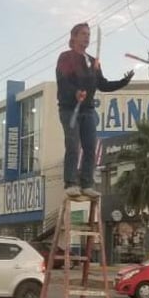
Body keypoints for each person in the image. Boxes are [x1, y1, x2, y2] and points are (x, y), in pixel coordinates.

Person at [56, 22, 134, 198]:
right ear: (74, 37)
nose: (86, 37)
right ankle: (70, 182)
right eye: (83, 34)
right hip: (70, 109)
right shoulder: (66, 57)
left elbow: (102, 84)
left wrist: (123, 82)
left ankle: (87, 184)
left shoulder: (93, 62)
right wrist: (76, 92)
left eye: (88, 35)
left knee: (91, 147)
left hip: (88, 109)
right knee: (73, 145)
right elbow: (63, 80)